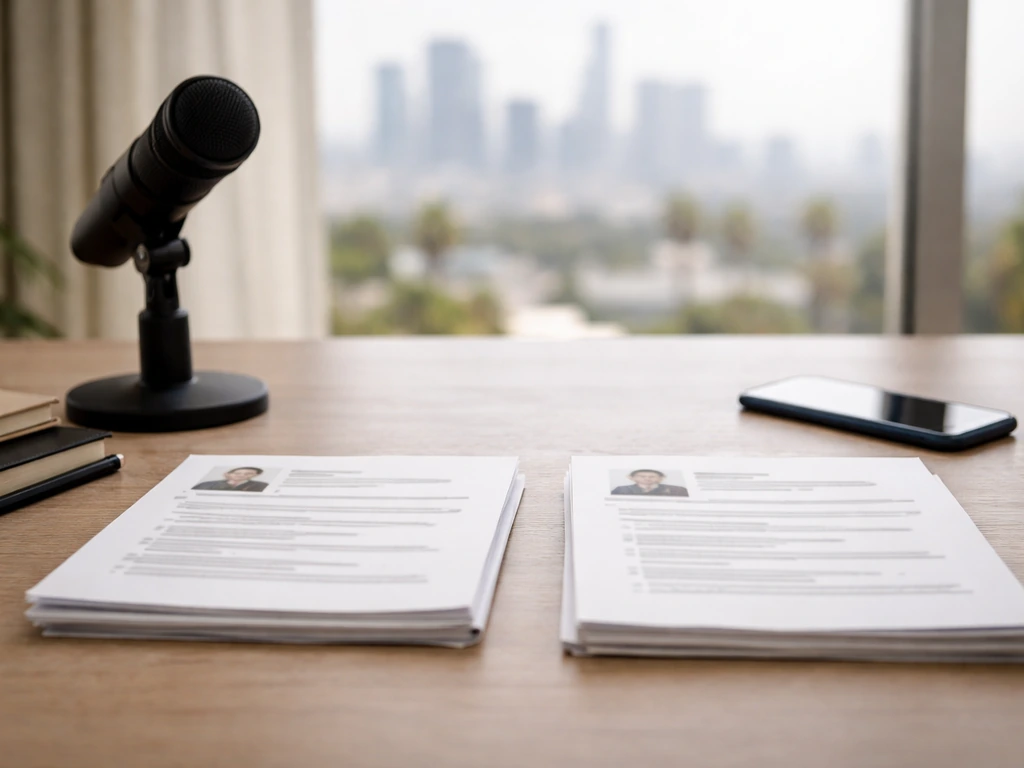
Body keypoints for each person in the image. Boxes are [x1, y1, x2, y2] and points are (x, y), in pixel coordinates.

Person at [611, 469, 688, 497]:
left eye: (652, 476)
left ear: (661, 478)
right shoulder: (621, 490)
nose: (647, 478)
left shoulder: (678, 490)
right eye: (642, 476)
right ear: (632, 478)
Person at [193, 466, 268, 493]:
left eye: (248, 473)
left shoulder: (263, 485)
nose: (242, 475)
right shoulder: (206, 484)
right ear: (227, 474)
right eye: (237, 473)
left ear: (256, 475)